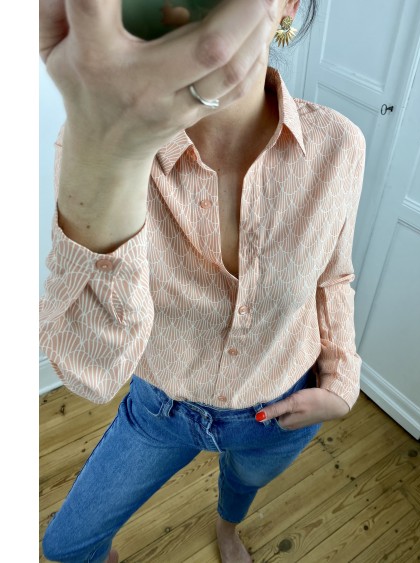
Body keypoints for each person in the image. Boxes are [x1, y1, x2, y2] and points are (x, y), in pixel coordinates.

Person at [39, 0, 366, 561]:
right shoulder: (101, 146)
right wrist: (110, 156)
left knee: (242, 485)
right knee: (67, 546)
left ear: (288, 6)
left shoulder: (339, 146)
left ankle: (228, 526)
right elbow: (93, 372)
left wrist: (342, 381)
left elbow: (333, 276)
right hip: (160, 410)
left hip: (279, 408)